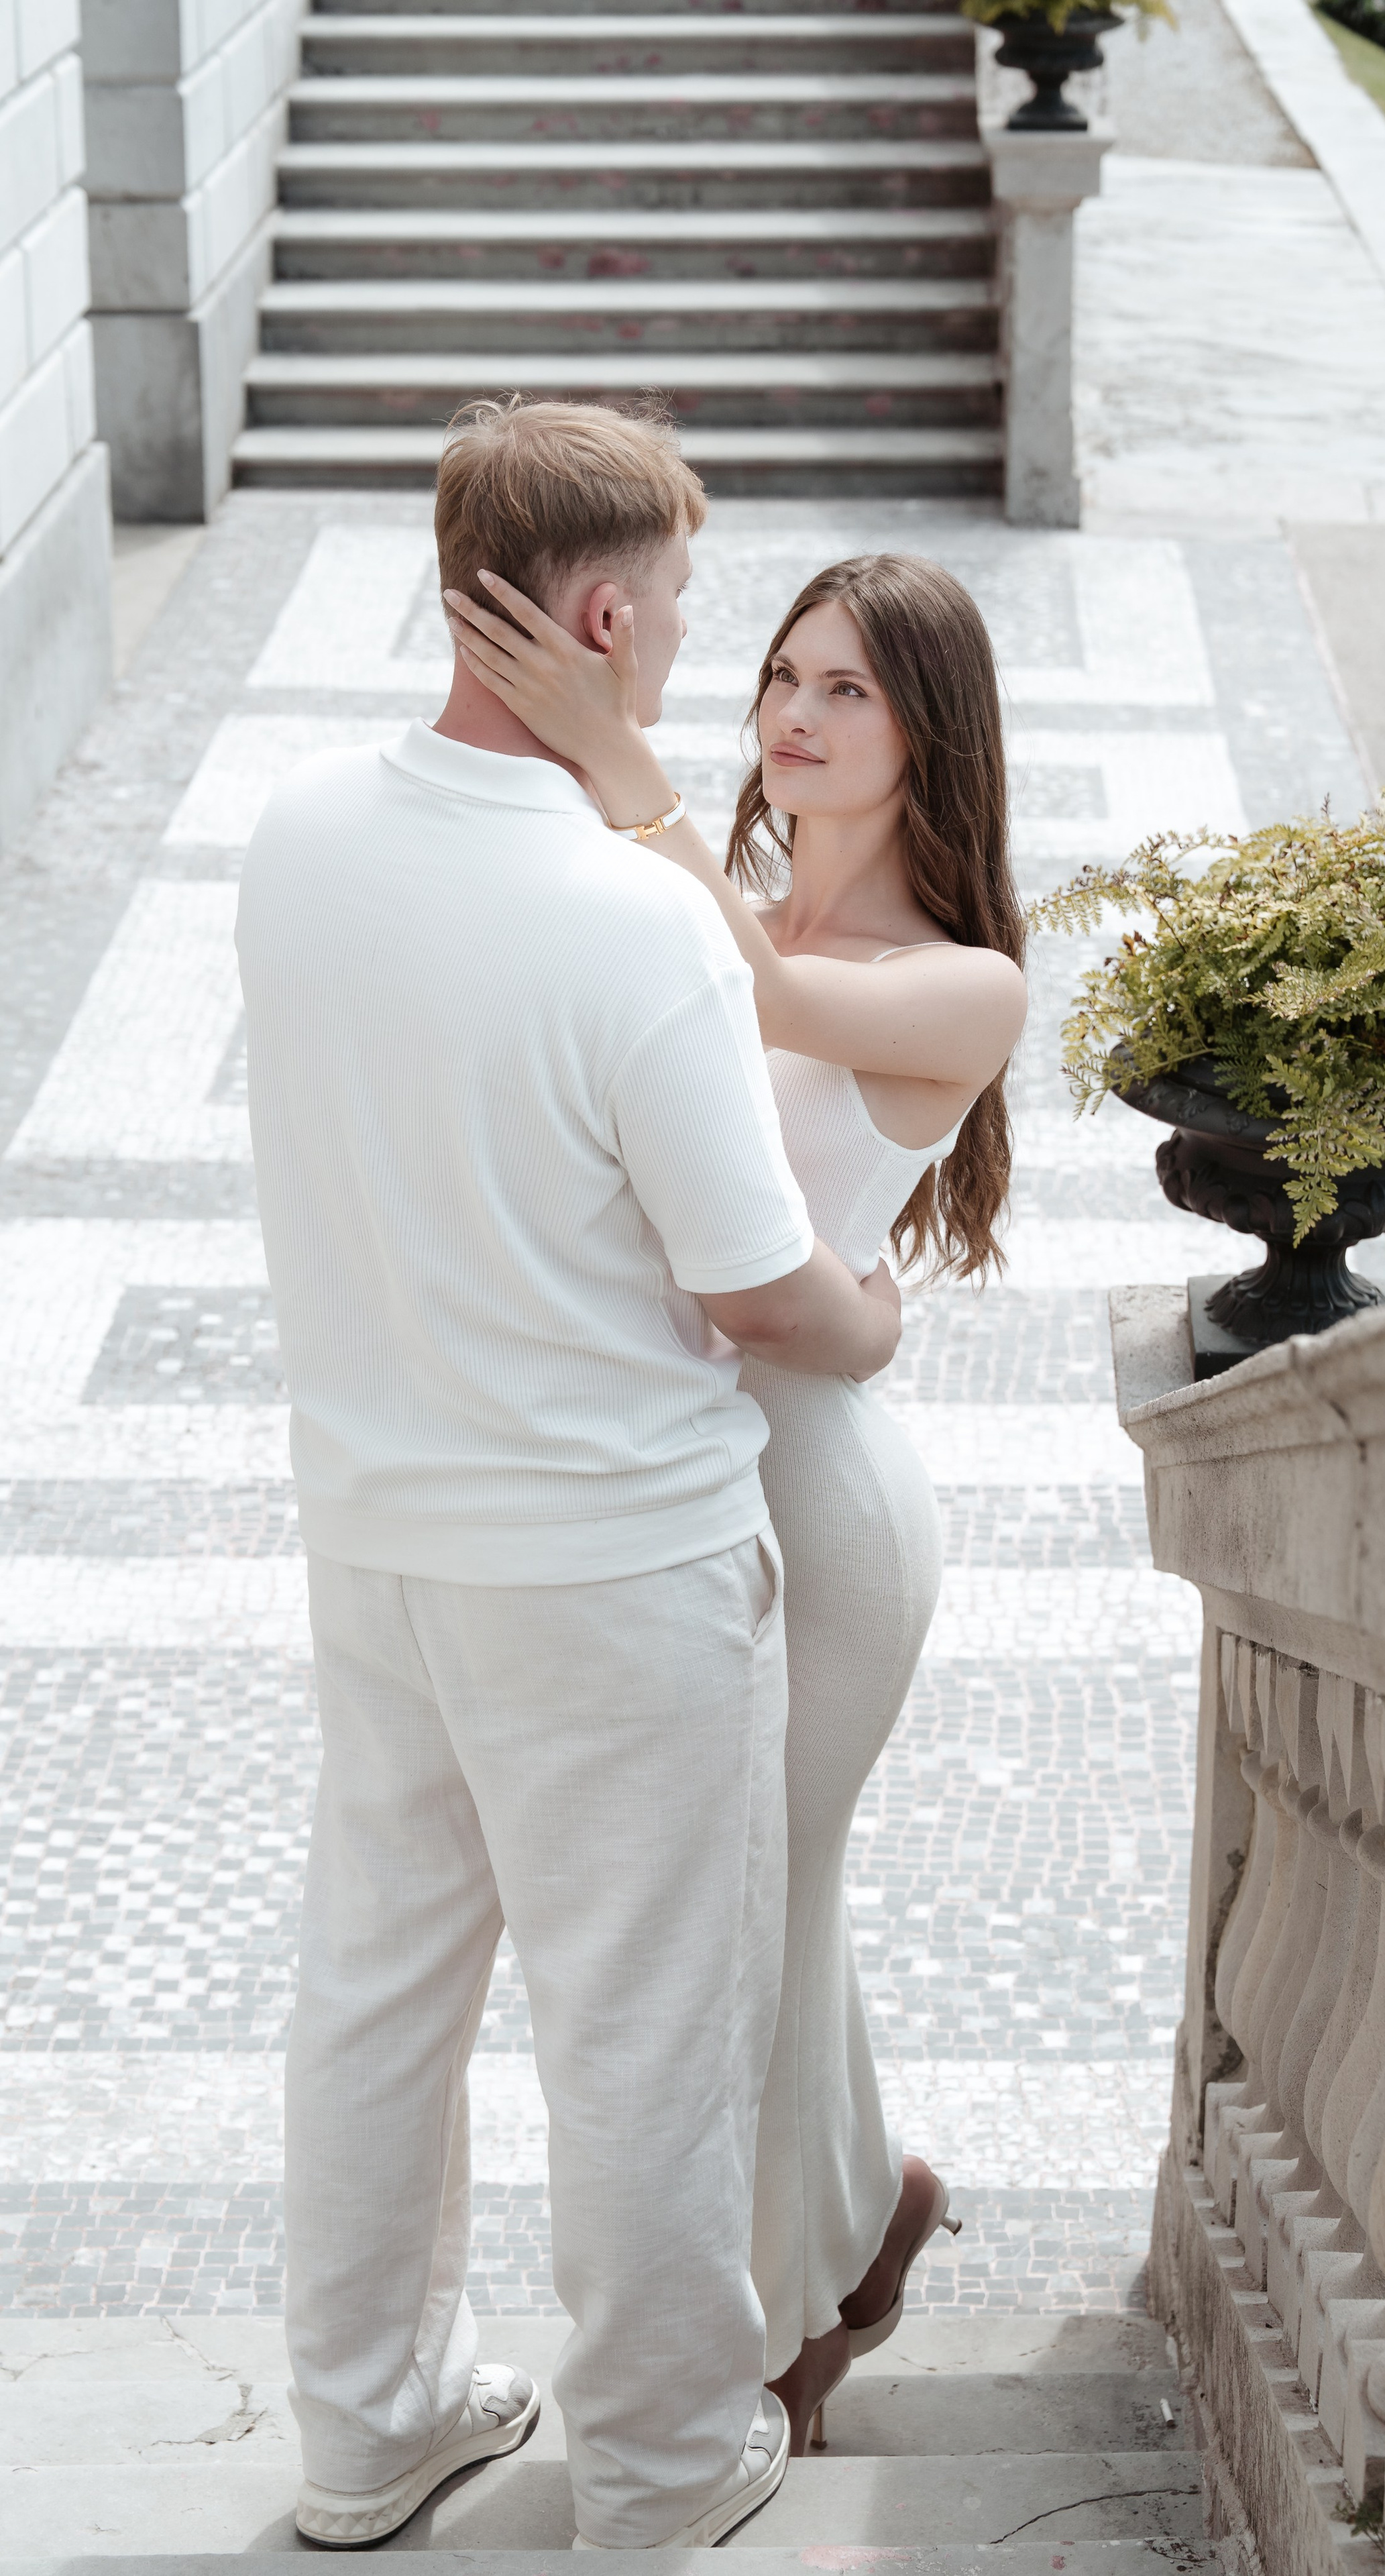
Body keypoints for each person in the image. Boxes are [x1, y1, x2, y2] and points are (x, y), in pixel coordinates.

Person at [235, 399, 902, 2552]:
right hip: (614, 1568)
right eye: (692, 609)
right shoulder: (634, 926)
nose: (700, 648)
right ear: (606, 617)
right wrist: (873, 1319)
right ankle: (664, 2463)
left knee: (377, 1991)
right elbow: (760, 1296)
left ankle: (359, 2442)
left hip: (379, 1535)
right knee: (639, 2030)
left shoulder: (295, 831)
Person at [443, 549, 1028, 2453]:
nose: (794, 709)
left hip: (824, 1508)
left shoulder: (965, 984)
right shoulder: (718, 897)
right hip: (675, 1458)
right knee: (774, 1896)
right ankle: (866, 2220)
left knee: (757, 1901)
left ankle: (779, 2323)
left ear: (931, 733)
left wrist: (618, 758)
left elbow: (756, 990)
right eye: (783, 670)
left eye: (849, 688)